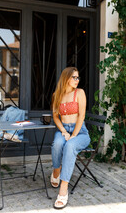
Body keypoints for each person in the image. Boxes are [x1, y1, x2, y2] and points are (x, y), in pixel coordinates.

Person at [51, 67, 90, 209]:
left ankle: (63, 188)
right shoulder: (57, 95)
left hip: (80, 133)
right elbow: (55, 116)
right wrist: (63, 131)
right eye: (74, 77)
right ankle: (56, 170)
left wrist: (73, 135)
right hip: (63, 130)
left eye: (78, 77)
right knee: (57, 144)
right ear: (66, 78)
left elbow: (82, 116)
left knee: (69, 146)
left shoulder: (80, 93)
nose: (77, 80)